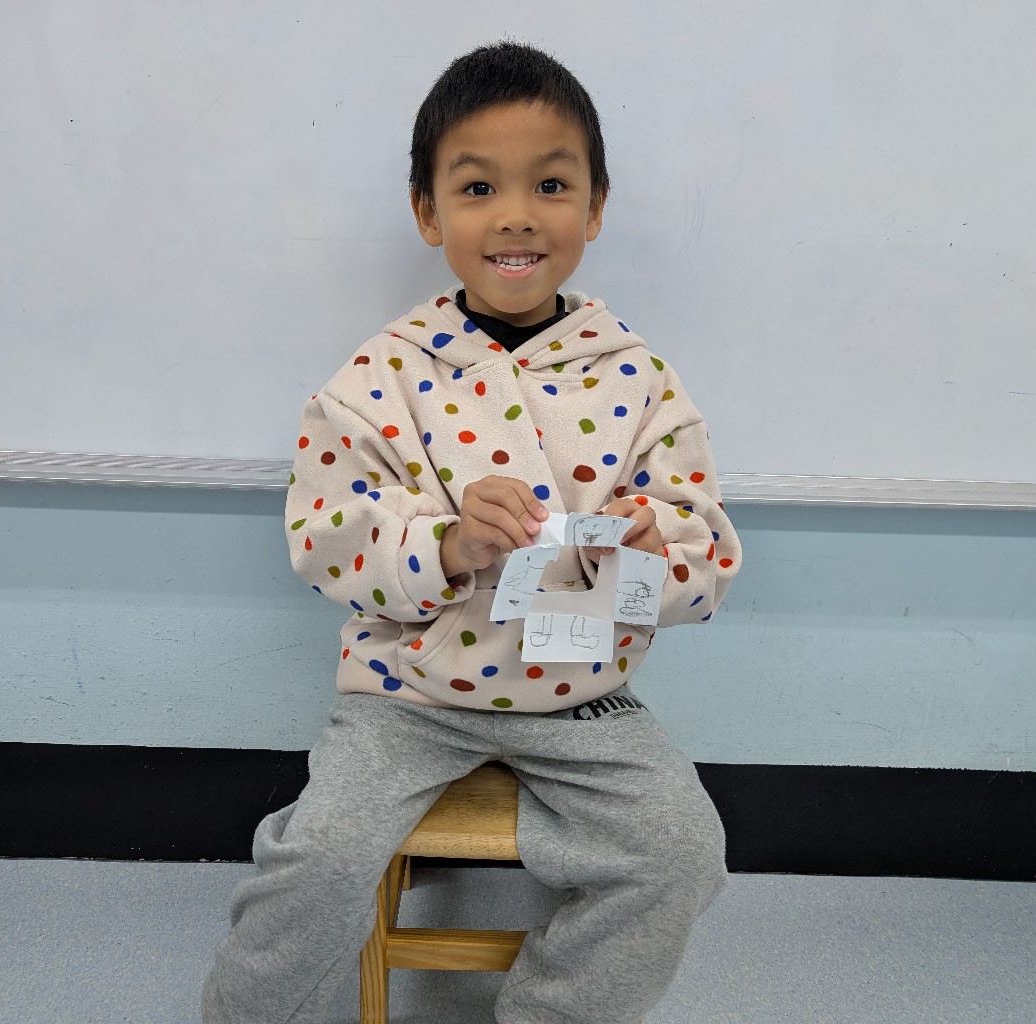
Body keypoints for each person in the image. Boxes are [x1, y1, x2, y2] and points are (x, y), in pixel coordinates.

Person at [204, 41, 742, 1024]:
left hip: (581, 697)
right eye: (479, 187)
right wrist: (446, 544)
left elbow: (707, 560)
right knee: (317, 859)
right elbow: (323, 537)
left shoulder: (639, 380)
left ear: (595, 206)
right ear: (428, 212)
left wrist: (652, 559)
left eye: (551, 185)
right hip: (409, 692)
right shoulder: (380, 376)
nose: (516, 214)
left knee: (680, 852)